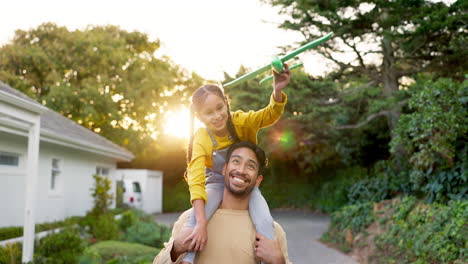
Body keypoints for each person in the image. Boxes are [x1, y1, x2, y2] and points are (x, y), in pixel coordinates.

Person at [182, 65, 291, 263]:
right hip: (216, 182)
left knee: (265, 219)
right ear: (199, 117)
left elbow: (268, 115)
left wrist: (277, 91)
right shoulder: (202, 137)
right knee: (196, 219)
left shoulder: (241, 121)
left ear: (226, 103)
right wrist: (201, 223)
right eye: (208, 113)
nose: (216, 116)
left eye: (219, 108)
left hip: (245, 186)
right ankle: (188, 259)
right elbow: (196, 181)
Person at [153, 141, 291, 264]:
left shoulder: (273, 233)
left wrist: (279, 262)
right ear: (224, 169)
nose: (241, 170)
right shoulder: (192, 219)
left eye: (250, 166)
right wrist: (176, 248)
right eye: (236, 161)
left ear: (257, 181)